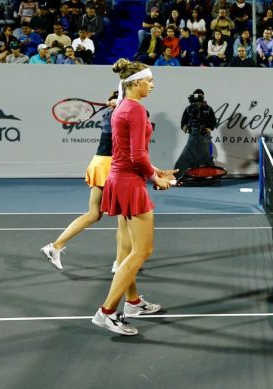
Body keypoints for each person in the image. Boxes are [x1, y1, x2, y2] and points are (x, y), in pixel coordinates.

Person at [92, 58, 177, 336]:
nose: (152, 85)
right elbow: (137, 154)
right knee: (142, 251)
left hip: (120, 179)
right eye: (149, 80)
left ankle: (133, 302)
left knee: (128, 250)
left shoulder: (121, 107)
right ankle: (106, 312)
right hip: (130, 183)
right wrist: (155, 179)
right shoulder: (136, 110)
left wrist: (156, 170)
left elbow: (131, 154)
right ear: (136, 82)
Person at [41, 92, 119, 271]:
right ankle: (121, 262)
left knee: (94, 214)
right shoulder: (115, 114)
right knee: (126, 218)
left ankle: (55, 247)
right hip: (110, 165)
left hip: (102, 163)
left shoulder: (116, 112)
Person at [174, 89, 217, 174]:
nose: (197, 103)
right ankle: (184, 175)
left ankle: (209, 175)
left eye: (200, 96)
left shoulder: (208, 109)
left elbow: (213, 122)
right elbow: (183, 122)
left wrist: (210, 128)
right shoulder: (188, 109)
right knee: (188, 155)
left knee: (206, 156)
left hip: (205, 135)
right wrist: (184, 127)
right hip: (193, 135)